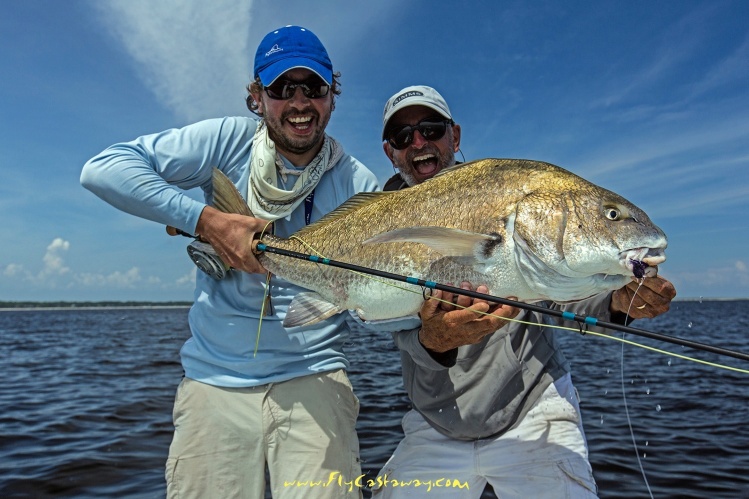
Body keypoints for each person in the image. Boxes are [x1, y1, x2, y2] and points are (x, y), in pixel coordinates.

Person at [81, 26, 376, 499]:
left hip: (315, 374)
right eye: (282, 88)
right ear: (257, 97)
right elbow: (103, 169)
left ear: (332, 96)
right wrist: (204, 220)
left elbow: (383, 317)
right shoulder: (225, 140)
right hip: (213, 379)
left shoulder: (359, 182)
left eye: (314, 88)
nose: (299, 102)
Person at [373, 85, 677, 498]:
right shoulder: (379, 219)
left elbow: (561, 284)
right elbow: (387, 318)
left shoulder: (501, 188)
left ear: (454, 136)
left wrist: (618, 300)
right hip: (433, 423)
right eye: (403, 137)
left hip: (535, 412)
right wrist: (435, 340)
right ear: (390, 151)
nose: (419, 143)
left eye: (430, 129)